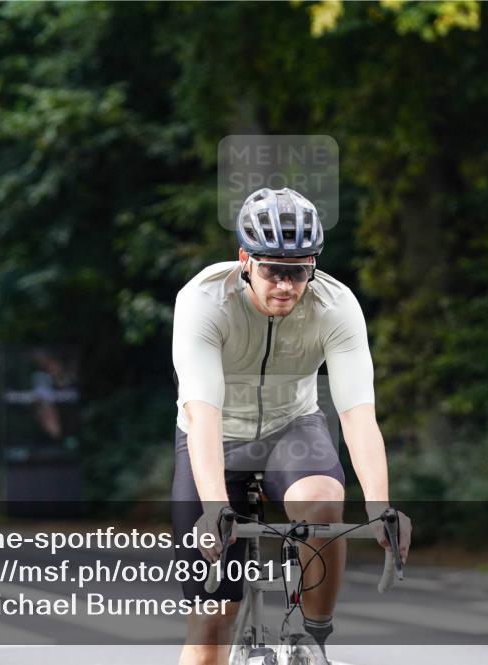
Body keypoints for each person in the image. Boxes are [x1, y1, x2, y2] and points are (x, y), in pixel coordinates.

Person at [171, 187, 412, 664]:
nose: (285, 285)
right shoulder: (204, 300)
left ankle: (316, 638)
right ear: (244, 259)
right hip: (215, 438)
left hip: (292, 429)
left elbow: (358, 414)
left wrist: (381, 504)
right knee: (212, 618)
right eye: (272, 271)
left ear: (314, 265)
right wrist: (215, 507)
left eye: (298, 271)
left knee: (324, 500)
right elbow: (202, 411)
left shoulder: (335, 306)